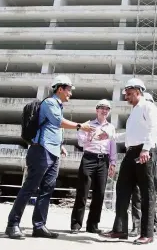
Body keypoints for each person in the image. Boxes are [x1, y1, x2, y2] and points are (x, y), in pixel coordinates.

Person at [5, 75, 96, 240]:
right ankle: (12, 224)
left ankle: (39, 226)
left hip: (52, 152)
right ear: (60, 89)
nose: (70, 94)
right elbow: (57, 122)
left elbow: (50, 128)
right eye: (68, 90)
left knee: (47, 190)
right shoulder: (49, 103)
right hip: (40, 151)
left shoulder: (58, 105)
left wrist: (60, 146)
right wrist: (80, 126)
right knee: (29, 188)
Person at [100, 78, 157, 245]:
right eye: (126, 94)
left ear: (139, 92)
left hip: (144, 153)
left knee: (147, 193)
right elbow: (130, 135)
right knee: (122, 189)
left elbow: (153, 128)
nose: (127, 97)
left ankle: (147, 234)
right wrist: (110, 135)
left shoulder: (148, 106)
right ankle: (120, 230)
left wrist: (146, 149)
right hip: (131, 153)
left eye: (130, 94)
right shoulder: (134, 112)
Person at [70, 99, 117, 234]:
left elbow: (112, 145)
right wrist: (88, 137)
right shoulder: (87, 125)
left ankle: (93, 225)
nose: (104, 111)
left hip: (103, 161)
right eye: (102, 108)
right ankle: (76, 224)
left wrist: (113, 163)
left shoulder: (111, 127)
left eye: (107, 109)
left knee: (100, 194)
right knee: (82, 192)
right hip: (89, 158)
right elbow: (80, 141)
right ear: (96, 110)